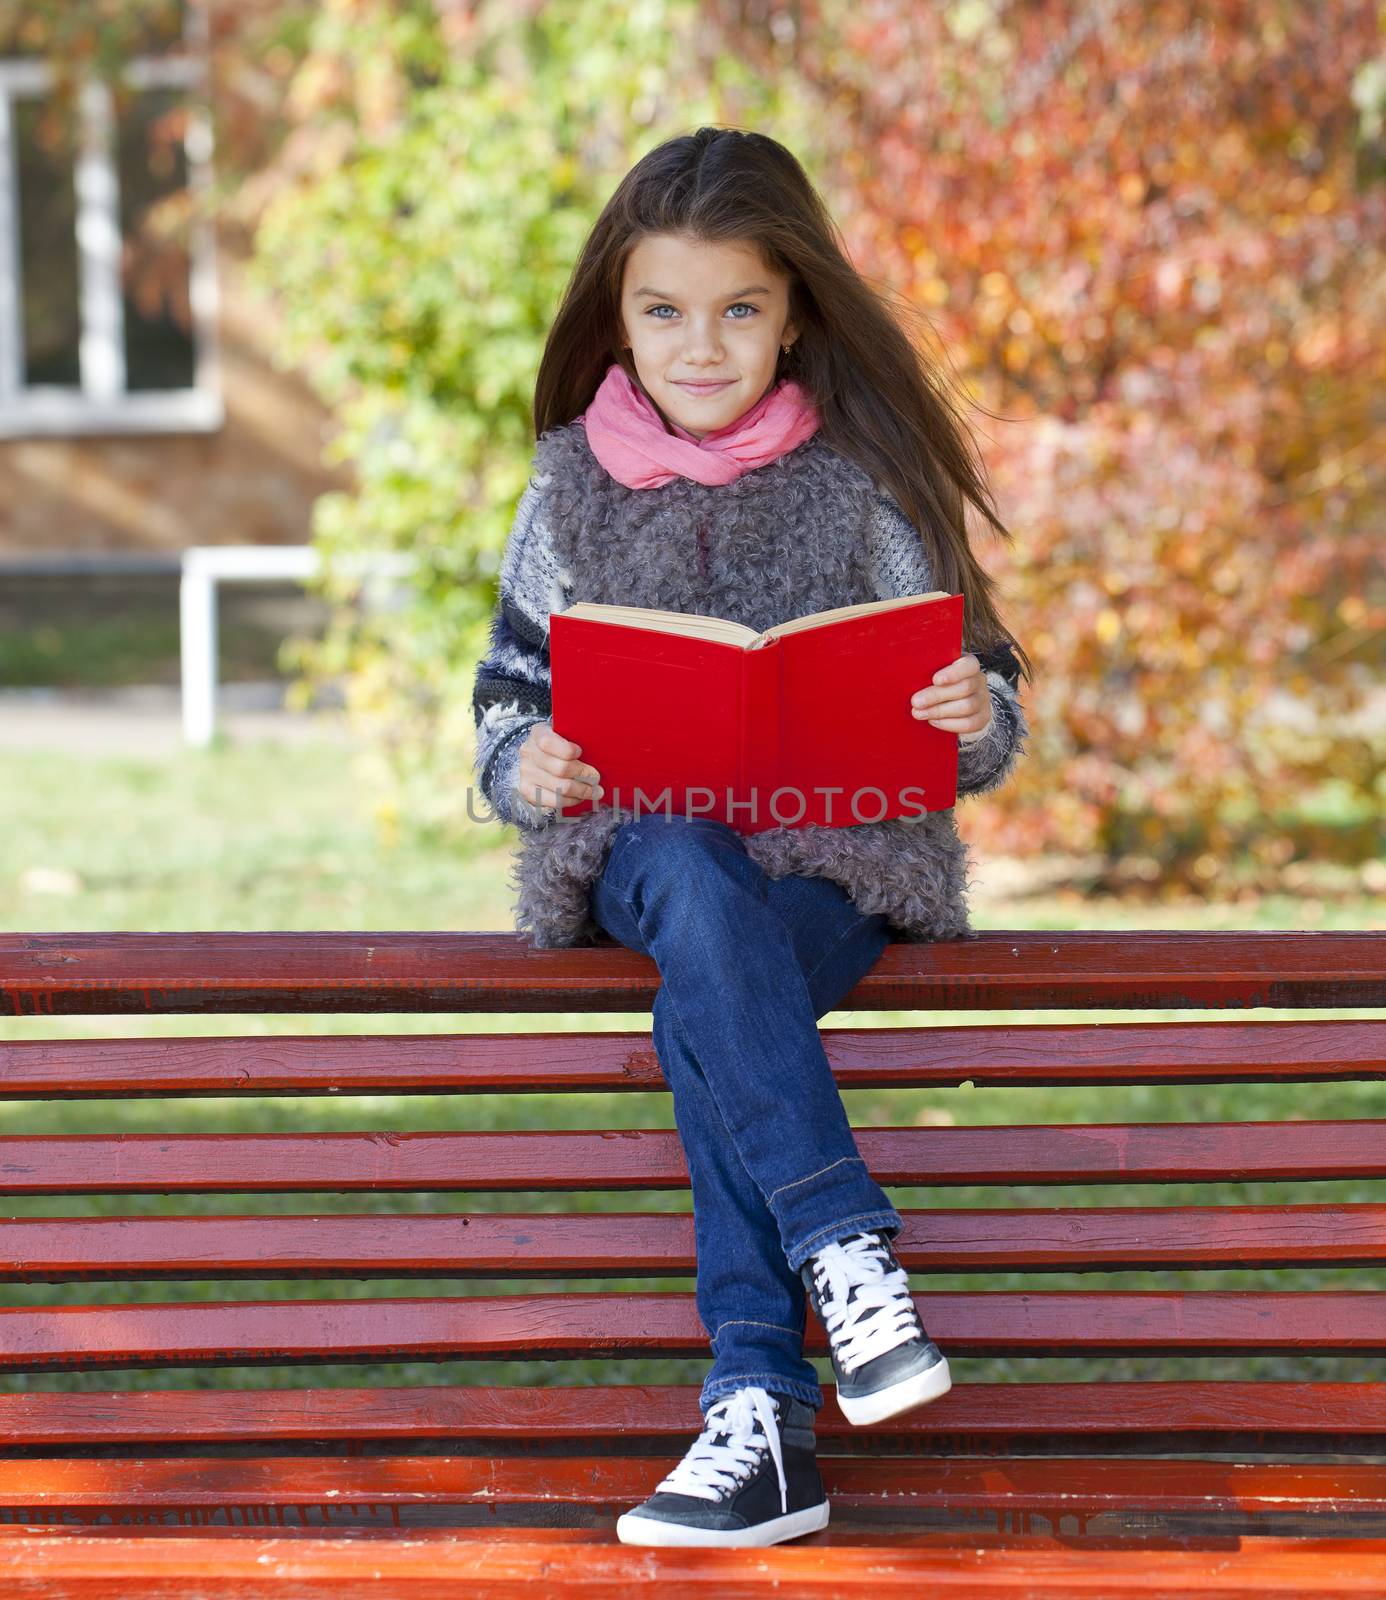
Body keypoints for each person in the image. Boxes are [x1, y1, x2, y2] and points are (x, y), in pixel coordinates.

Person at [471, 127, 1032, 1550]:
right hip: (642, 853)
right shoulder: (567, 487)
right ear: (618, 316)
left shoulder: (860, 481)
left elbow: (979, 701)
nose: (699, 346)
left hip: (835, 858)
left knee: (711, 1004)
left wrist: (971, 709)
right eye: (663, 312)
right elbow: (504, 701)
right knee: (685, 876)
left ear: (793, 316)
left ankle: (760, 1422)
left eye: (738, 310)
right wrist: (520, 764)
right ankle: (843, 1245)